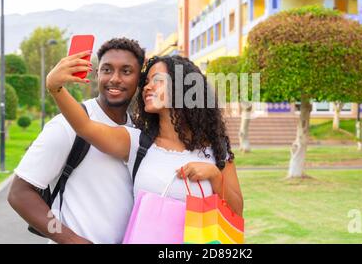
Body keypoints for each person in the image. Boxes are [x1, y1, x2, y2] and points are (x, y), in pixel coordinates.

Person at [46, 54, 244, 219]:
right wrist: (56, 88)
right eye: (147, 82)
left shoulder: (216, 149)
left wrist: (215, 176)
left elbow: (236, 213)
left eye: (157, 81)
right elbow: (85, 126)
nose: (147, 87)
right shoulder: (137, 143)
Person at [8, 37, 145, 244]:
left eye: (126, 71)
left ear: (139, 79)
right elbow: (19, 193)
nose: (115, 79)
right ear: (97, 73)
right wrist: (69, 239)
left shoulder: (139, 129)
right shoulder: (65, 125)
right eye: (107, 70)